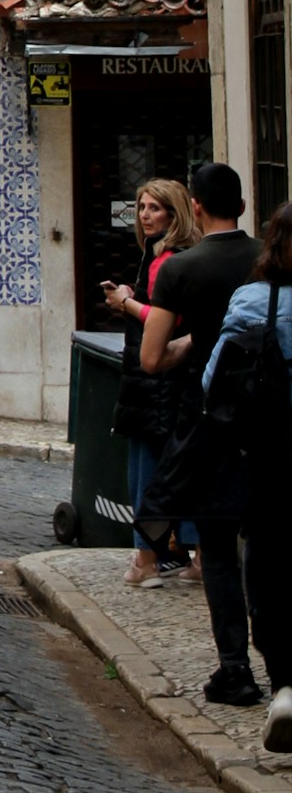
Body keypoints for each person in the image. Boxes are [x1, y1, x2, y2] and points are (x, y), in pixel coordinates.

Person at [142, 160, 259, 705]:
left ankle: (234, 668)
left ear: (195, 206)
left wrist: (189, 346)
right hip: (268, 420)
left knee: (216, 551)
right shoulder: (268, 258)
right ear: (241, 204)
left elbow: (151, 357)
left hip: (210, 422)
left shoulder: (181, 269)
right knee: (267, 545)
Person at [201, 200, 292, 748]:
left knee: (270, 568)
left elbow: (215, 384)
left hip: (271, 461)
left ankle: (285, 685)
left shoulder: (254, 301)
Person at [107, 177, 198, 586]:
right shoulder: (179, 256)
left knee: (147, 471)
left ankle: (146, 561)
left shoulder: (166, 260)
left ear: (174, 213)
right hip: (178, 378)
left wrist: (125, 302)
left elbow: (165, 321)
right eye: (141, 207)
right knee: (183, 468)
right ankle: (192, 557)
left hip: (154, 379)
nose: (145, 215)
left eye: (155, 208)